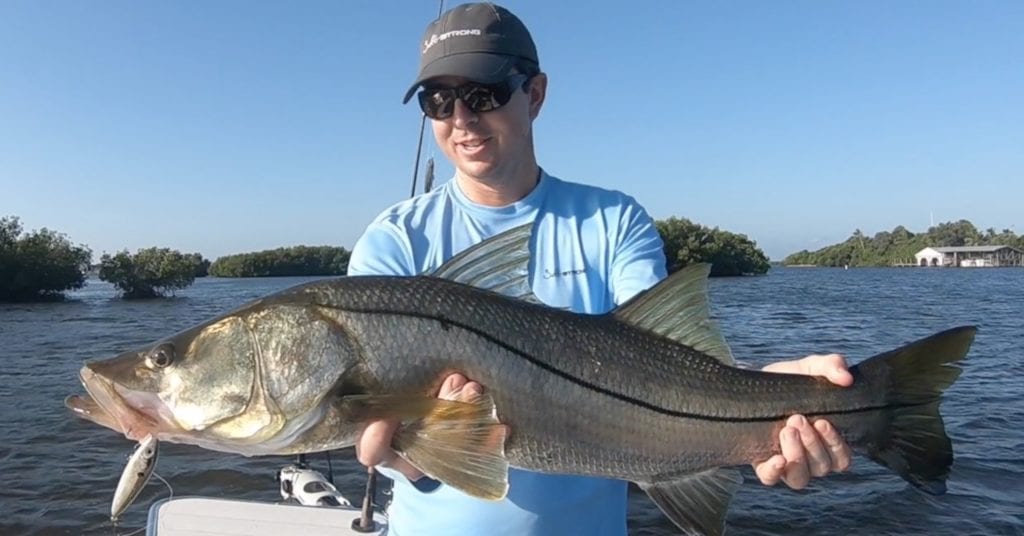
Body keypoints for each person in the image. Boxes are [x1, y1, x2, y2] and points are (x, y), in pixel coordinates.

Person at [347, 3, 854, 535]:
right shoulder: (396, 241)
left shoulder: (613, 220)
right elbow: (392, 455)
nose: (462, 119)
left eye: (484, 93)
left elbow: (667, 363)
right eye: (438, 100)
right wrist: (409, 452)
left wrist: (768, 396)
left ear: (535, 94)